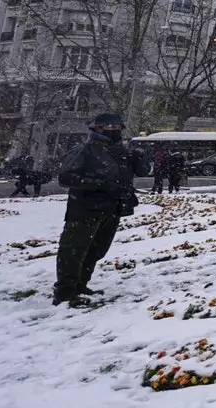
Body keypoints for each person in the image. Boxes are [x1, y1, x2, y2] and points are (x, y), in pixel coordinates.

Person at [52, 111, 151, 306]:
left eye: (117, 128)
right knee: (74, 250)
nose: (114, 131)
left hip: (113, 208)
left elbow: (143, 172)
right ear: (97, 129)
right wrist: (99, 184)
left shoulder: (122, 151)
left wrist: (140, 157)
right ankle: (65, 292)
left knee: (97, 249)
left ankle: (81, 284)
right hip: (86, 208)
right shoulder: (85, 150)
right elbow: (66, 177)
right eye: (109, 127)